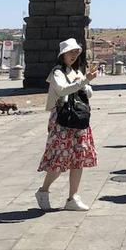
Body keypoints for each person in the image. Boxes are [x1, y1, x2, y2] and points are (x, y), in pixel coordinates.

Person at [35, 38, 98, 211]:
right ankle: (43, 190)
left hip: (79, 118)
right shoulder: (57, 72)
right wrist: (83, 81)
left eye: (76, 52)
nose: (74, 55)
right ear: (62, 54)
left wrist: (85, 82)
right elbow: (62, 90)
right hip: (62, 120)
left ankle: (73, 197)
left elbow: (89, 93)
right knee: (59, 159)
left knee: (79, 158)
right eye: (71, 52)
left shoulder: (74, 71)